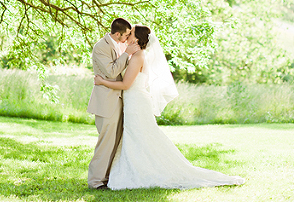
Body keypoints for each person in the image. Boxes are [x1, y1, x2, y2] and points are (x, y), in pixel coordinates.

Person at [94, 25, 244, 190]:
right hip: (133, 101)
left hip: (136, 102)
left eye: (131, 33)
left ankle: (143, 171)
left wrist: (102, 82)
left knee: (139, 136)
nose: (128, 34)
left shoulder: (137, 57)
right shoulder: (134, 55)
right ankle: (136, 168)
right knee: (138, 137)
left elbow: (126, 84)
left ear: (136, 39)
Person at [87, 17, 139, 189]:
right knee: (105, 143)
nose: (127, 39)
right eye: (125, 36)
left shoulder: (120, 45)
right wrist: (127, 54)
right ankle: (95, 181)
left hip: (118, 100)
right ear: (117, 34)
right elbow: (110, 72)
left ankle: (107, 178)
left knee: (115, 143)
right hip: (106, 102)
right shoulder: (101, 47)